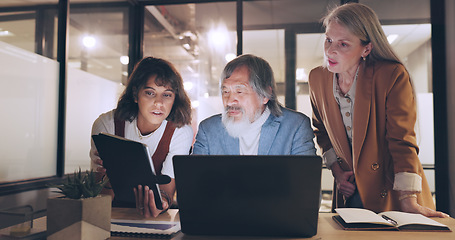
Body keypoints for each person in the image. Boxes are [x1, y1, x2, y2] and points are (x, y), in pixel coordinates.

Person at [308, 3, 447, 217]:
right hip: (350, 191)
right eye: (328, 40)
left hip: (393, 190)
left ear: (366, 48)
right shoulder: (317, 78)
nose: (330, 50)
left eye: (343, 44)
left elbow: (401, 141)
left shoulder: (391, 75)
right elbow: (321, 132)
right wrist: (337, 173)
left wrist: (408, 199)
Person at [90, 57, 193, 217]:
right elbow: (101, 200)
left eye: (167, 95)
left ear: (175, 99)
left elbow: (165, 193)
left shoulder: (179, 131)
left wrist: (162, 203)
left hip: (156, 219)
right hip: (112, 215)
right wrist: (105, 177)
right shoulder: (107, 125)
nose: (159, 103)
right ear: (135, 94)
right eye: (150, 93)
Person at [193, 54, 316, 156]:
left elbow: (305, 182)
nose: (229, 101)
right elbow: (196, 182)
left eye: (239, 91)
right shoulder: (208, 130)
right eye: (225, 91)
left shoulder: (295, 126)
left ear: (265, 95)